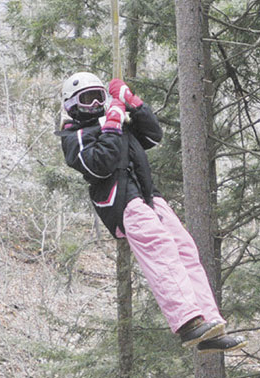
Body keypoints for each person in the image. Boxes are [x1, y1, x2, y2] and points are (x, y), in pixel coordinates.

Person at [58, 72, 246, 354]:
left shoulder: (116, 121)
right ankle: (186, 320)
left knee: (184, 248)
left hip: (147, 194)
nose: (96, 103)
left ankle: (208, 321)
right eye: (87, 98)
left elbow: (152, 136)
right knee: (161, 247)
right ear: (72, 103)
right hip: (121, 199)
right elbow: (100, 164)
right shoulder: (76, 136)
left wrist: (132, 103)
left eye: (99, 96)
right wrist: (111, 124)